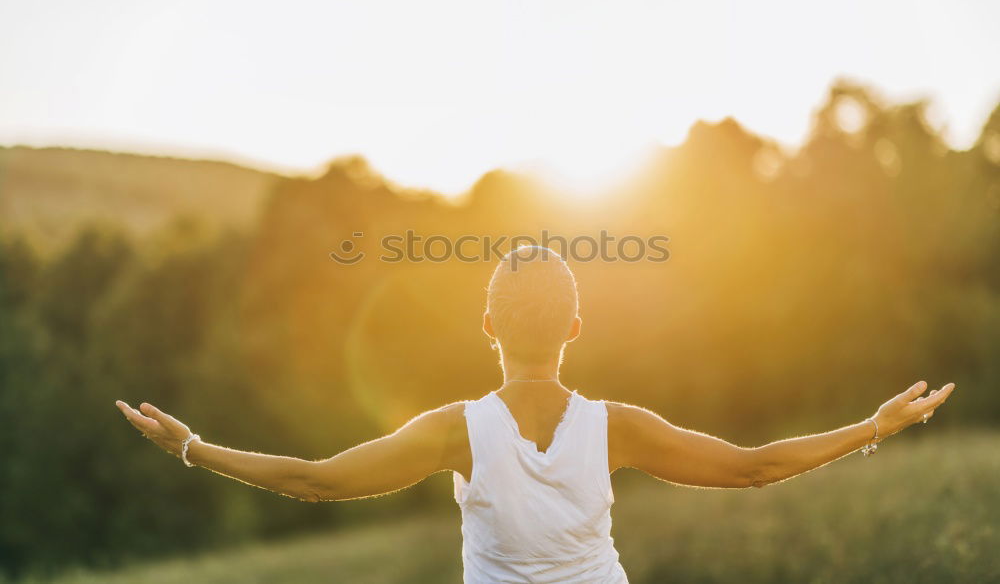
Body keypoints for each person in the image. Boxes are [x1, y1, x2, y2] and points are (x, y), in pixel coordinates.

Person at [116, 245, 955, 583]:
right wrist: (872, 428)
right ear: (576, 329)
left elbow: (315, 481)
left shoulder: (456, 432)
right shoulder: (615, 426)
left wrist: (194, 448)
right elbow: (753, 465)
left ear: (488, 327)